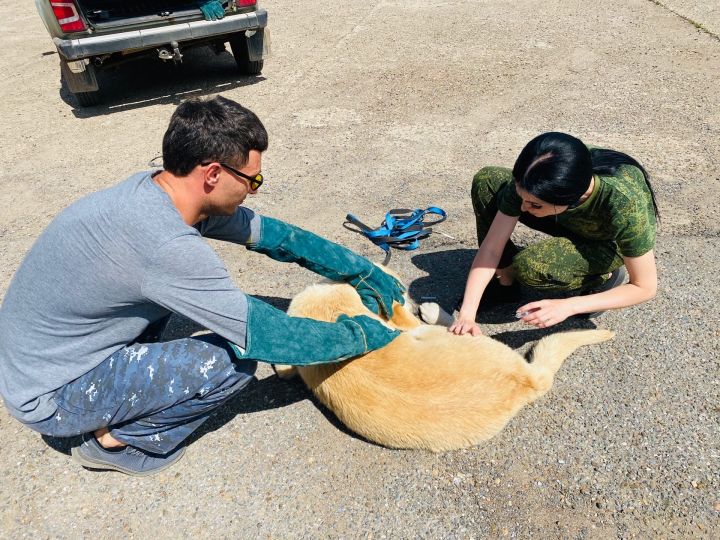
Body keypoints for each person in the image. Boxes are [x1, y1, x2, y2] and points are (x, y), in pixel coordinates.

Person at [0, 96, 404, 476]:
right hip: (52, 394)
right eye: (253, 179)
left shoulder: (159, 189)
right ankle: (116, 442)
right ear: (212, 173)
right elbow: (265, 334)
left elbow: (275, 236)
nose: (253, 190)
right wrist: (365, 334)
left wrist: (360, 271)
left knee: (172, 306)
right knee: (232, 362)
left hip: (40, 356)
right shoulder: (165, 245)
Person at [449, 132, 659, 336]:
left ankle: (601, 278)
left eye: (533, 204)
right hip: (562, 216)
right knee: (488, 181)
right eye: (522, 197)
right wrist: (467, 315)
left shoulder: (624, 203)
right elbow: (492, 247)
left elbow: (645, 286)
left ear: (569, 197)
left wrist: (568, 306)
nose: (522, 208)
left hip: (605, 243)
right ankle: (506, 279)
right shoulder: (534, 176)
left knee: (531, 266)